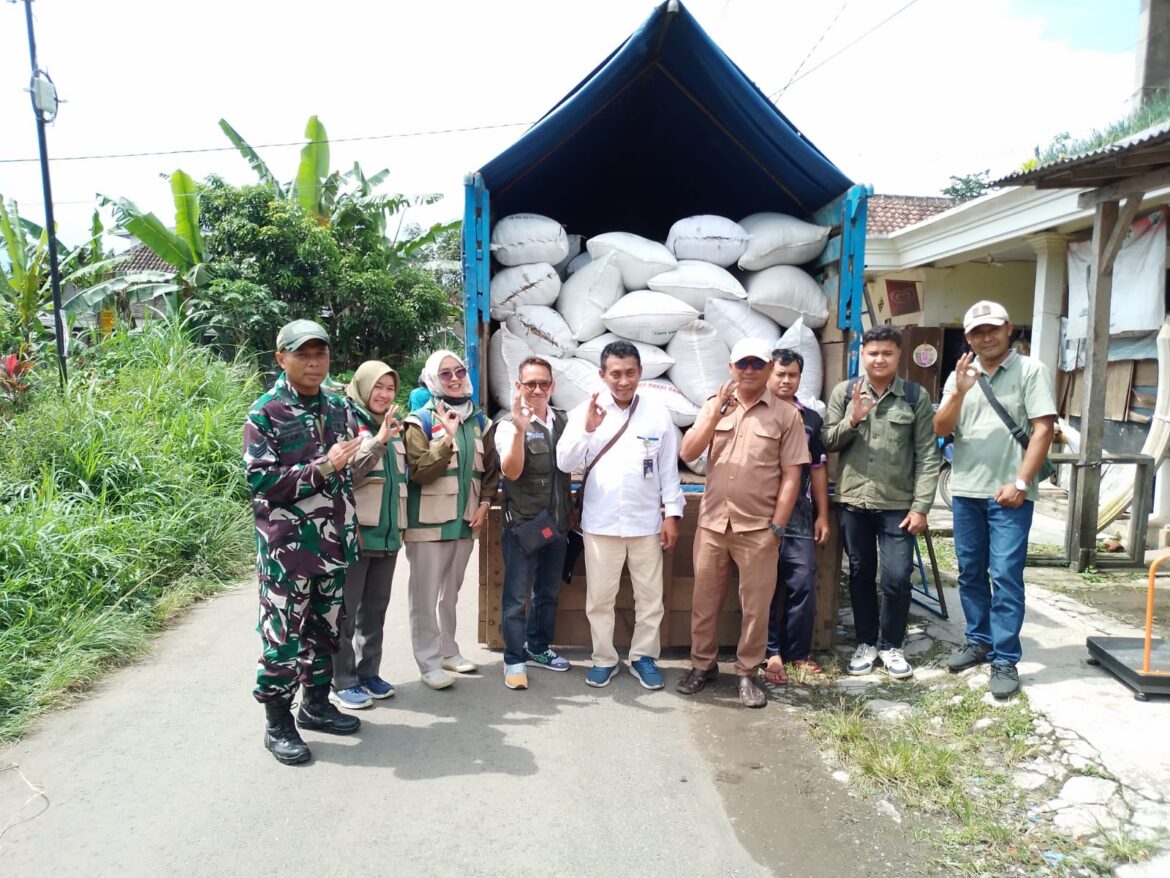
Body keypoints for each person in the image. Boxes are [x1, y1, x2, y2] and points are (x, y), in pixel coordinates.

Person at [243, 319, 363, 765]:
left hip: (332, 545)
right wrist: (323, 468)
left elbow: (349, 466)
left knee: (326, 629)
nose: (314, 362)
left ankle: (316, 704)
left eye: (321, 353)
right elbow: (261, 482)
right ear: (281, 358)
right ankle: (278, 724)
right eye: (303, 354)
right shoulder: (265, 413)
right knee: (283, 637)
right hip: (287, 553)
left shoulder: (338, 409)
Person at [676, 339, 808, 708]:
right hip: (713, 525)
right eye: (742, 364)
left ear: (768, 368)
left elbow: (791, 477)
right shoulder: (714, 405)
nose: (749, 370)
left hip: (758, 529)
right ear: (731, 368)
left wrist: (777, 528)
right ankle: (703, 665)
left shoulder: (786, 415)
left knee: (755, 607)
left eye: (756, 364)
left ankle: (748, 673)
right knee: (705, 601)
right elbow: (687, 452)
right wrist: (716, 413)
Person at [934, 301, 1056, 699]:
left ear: (1009, 329)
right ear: (968, 338)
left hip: (1010, 496)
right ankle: (978, 640)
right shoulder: (961, 375)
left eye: (993, 329)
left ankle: (1005, 658)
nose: (985, 337)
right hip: (967, 490)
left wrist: (1021, 482)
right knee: (970, 571)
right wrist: (959, 392)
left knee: (1004, 575)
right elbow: (941, 427)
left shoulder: (1030, 371)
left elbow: (1043, 430)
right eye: (977, 332)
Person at [557, 339, 684, 689]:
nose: (623, 380)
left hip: (646, 524)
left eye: (630, 372)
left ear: (640, 372)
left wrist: (672, 515)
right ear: (602, 375)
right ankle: (604, 659)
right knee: (600, 598)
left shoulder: (657, 413)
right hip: (600, 523)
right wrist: (588, 428)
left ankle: (643, 657)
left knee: (650, 597)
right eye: (616, 374)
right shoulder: (586, 410)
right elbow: (564, 462)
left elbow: (668, 471)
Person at [823, 325, 939, 680]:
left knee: (896, 577)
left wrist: (921, 506)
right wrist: (854, 418)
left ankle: (891, 646)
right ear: (863, 353)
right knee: (859, 574)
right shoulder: (845, 392)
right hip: (854, 500)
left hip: (897, 505)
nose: (879, 359)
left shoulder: (915, 397)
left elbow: (928, 455)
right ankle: (866, 643)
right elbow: (827, 441)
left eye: (887, 353)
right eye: (873, 353)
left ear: (898, 356)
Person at [403, 350, 499, 690]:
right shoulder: (419, 420)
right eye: (445, 374)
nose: (455, 378)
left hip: (464, 521)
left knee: (450, 594)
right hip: (427, 524)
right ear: (432, 380)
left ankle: (448, 650)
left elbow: (490, 471)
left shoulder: (479, 421)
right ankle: (428, 663)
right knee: (425, 596)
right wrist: (445, 438)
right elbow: (420, 472)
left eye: (459, 371)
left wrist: (485, 504)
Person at [485, 356, 574, 690]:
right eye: (530, 384)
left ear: (552, 386)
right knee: (515, 598)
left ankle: (538, 647)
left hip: (557, 524)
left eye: (544, 383)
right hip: (523, 526)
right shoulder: (509, 425)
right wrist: (522, 430)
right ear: (518, 387)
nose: (538, 390)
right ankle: (514, 659)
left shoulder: (563, 421)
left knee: (548, 593)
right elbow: (512, 472)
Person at [330, 361, 407, 710]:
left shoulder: (393, 423)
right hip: (355, 534)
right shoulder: (343, 419)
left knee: (375, 609)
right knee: (345, 611)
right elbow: (345, 475)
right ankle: (342, 680)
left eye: (390, 388)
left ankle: (368, 672)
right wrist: (377, 441)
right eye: (379, 387)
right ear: (362, 386)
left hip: (387, 534)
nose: (384, 394)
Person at [764, 348, 831, 684]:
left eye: (792, 375)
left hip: (801, 517)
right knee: (764, 585)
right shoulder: (756, 413)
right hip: (760, 513)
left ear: (800, 378)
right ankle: (769, 651)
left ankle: (798, 653)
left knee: (802, 584)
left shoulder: (811, 419)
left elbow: (818, 469)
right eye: (780, 374)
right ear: (769, 375)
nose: (786, 380)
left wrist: (823, 515)